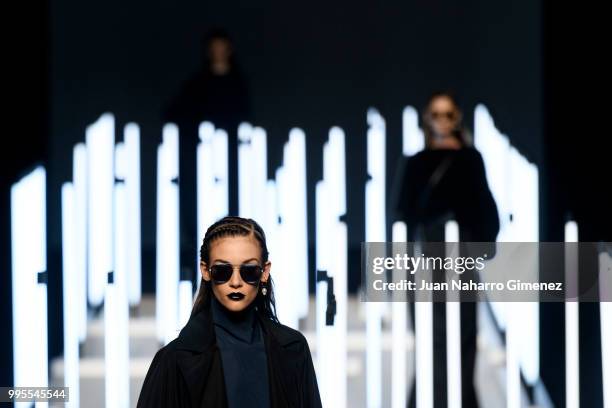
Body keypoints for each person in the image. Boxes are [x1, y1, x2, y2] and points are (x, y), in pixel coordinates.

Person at [137, 216, 322, 407]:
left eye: (249, 271)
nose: (235, 282)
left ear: (264, 272)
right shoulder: (174, 360)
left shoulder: (293, 348)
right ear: (206, 271)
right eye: (222, 271)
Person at [393, 91, 499, 408]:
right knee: (432, 340)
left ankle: (459, 400)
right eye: (435, 114)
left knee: (463, 338)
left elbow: (486, 210)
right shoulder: (415, 163)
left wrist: (476, 243)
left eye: (448, 114)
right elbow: (401, 213)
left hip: (461, 260)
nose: (442, 121)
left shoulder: (470, 159)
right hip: (426, 264)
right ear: (426, 119)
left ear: (457, 119)